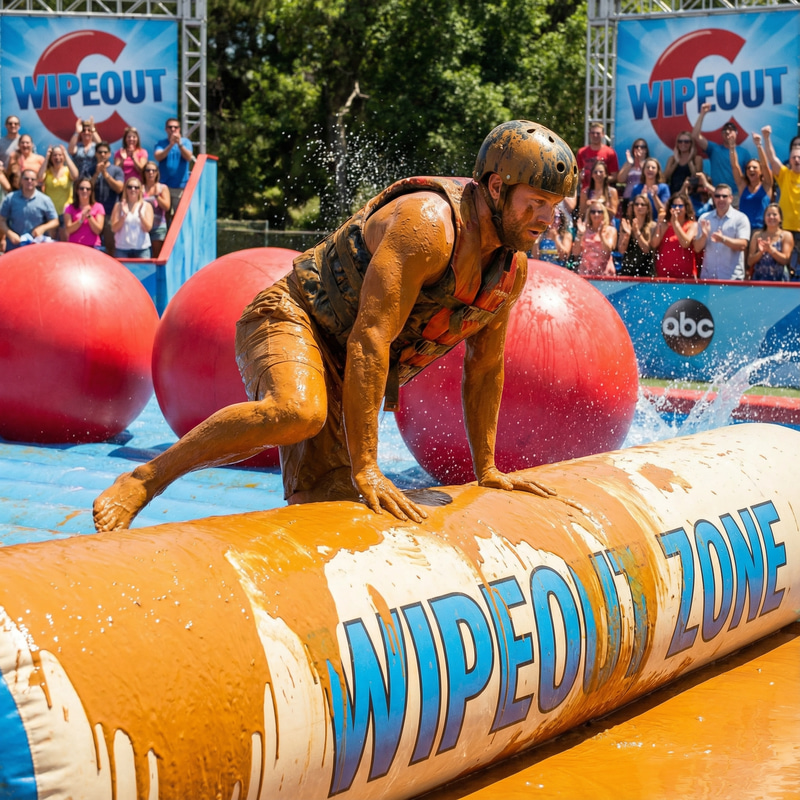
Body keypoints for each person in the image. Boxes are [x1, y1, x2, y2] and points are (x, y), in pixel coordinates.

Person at [92, 119, 579, 532]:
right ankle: (146, 479)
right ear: (496, 187)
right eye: (535, 202)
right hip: (292, 316)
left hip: (346, 365)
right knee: (297, 411)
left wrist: (487, 469)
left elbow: (485, 368)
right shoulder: (428, 225)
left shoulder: (510, 271)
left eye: (553, 207)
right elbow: (371, 340)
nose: (545, 218)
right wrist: (368, 465)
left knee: (334, 505)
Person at [691, 104, 751, 201]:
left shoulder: (744, 152)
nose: (727, 132)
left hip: (737, 195)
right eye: (724, 131)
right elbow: (695, 136)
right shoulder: (714, 149)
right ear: (721, 135)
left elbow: (749, 175)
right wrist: (702, 114)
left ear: (736, 134)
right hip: (717, 194)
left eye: (731, 130)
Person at [762, 125, 800, 277]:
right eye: (794, 157)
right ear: (789, 160)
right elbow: (772, 157)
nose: (797, 160)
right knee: (785, 268)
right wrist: (766, 137)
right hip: (785, 230)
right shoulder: (784, 174)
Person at [693, 183, 750, 280]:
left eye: (724, 196)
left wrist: (723, 239)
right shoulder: (704, 218)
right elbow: (697, 248)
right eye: (717, 196)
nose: (721, 199)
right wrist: (704, 236)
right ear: (713, 198)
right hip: (708, 278)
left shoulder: (741, 218)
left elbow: (743, 245)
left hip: (731, 278)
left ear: (731, 198)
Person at [0, 168, 59, 250]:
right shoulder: (10, 198)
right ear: (21, 180)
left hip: (36, 246)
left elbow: (55, 221)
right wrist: (10, 234)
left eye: (32, 179)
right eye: (26, 179)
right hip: (15, 246)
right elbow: (1, 220)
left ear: (37, 182)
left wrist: (42, 228)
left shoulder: (45, 200)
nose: (29, 181)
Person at [730, 131, 772, 232]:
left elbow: (765, 166)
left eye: (754, 167)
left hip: (762, 231)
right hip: (743, 230)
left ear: (761, 171)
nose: (751, 169)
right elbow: (735, 166)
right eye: (748, 168)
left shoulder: (766, 185)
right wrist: (732, 147)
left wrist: (759, 145)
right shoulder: (743, 186)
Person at [154, 117, 194, 222]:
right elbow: (158, 156)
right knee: (163, 216)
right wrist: (170, 145)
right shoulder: (161, 143)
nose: (173, 129)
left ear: (179, 129)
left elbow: (189, 157)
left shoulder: (186, 142)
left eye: (175, 127)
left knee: (179, 217)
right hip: (164, 186)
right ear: (166, 129)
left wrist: (179, 144)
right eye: (170, 127)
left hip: (180, 186)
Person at [652, 193, 698, 279]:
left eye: (680, 206)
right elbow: (654, 244)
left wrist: (675, 223)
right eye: (674, 205)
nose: (677, 208)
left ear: (686, 208)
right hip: (664, 274)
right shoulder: (665, 225)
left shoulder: (692, 225)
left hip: (685, 275)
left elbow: (685, 243)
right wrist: (659, 223)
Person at [37, 144, 78, 240]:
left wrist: (66, 155)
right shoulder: (47, 171)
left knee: (64, 242)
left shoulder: (68, 171)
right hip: (49, 212)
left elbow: (75, 175)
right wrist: (46, 157)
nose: (57, 157)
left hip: (65, 212)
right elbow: (39, 178)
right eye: (55, 155)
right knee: (50, 241)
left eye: (60, 155)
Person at [91, 141, 124, 255]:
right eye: (100, 152)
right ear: (96, 154)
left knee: (111, 246)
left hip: (111, 213)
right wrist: (96, 174)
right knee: (93, 246)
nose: (103, 155)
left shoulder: (116, 170)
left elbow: (119, 188)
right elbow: (85, 188)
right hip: (93, 215)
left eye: (105, 152)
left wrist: (106, 175)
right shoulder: (91, 169)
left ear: (110, 154)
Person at [746, 203, 793, 281]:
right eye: (768, 215)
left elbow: (785, 260)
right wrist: (760, 253)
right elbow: (750, 261)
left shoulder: (786, 235)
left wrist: (771, 250)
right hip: (759, 280)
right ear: (764, 218)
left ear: (780, 218)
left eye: (774, 214)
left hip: (779, 281)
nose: (771, 217)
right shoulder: (757, 235)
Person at [572, 200, 617, 276]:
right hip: (585, 272)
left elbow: (608, 250)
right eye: (593, 212)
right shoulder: (583, 229)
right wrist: (580, 234)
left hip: (605, 272)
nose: (596, 214)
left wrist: (601, 235)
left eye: (599, 212)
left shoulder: (611, 230)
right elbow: (575, 252)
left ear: (604, 213)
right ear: (589, 214)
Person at [111, 176, 153, 258]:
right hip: (122, 248)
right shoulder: (119, 206)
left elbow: (148, 228)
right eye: (130, 187)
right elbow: (114, 228)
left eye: (136, 187)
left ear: (140, 190)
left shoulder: (146, 206)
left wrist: (141, 215)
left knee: (143, 271)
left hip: (142, 248)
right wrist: (124, 216)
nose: (133, 189)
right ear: (126, 189)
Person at [617, 195, 656, 277]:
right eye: (636, 204)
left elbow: (646, 250)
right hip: (628, 271)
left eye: (642, 204)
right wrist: (627, 235)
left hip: (646, 272)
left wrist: (637, 232)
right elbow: (621, 250)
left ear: (648, 208)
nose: (639, 207)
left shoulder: (652, 226)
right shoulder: (626, 225)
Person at [63, 178, 105, 249]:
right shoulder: (69, 207)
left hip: (93, 246)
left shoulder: (98, 207)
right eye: (81, 188)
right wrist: (81, 219)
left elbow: (98, 230)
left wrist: (89, 216)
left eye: (88, 189)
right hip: (74, 246)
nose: (84, 191)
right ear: (77, 190)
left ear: (91, 191)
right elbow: (68, 229)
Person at [577, 121, 618, 191]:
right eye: (593, 133)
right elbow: (577, 175)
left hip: (603, 192)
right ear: (589, 134)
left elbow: (614, 176)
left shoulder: (610, 152)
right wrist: (580, 177)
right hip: (586, 191)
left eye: (598, 133)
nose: (595, 135)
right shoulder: (581, 152)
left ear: (603, 134)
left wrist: (600, 178)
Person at [142, 161, 171, 257]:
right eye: (148, 170)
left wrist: (157, 196)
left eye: (153, 170)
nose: (150, 173)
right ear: (144, 173)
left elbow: (167, 207)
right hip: (143, 227)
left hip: (158, 228)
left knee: (156, 255)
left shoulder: (162, 188)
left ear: (157, 173)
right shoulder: (140, 188)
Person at [616, 137, 649, 216]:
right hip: (628, 197)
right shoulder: (628, 163)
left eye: (642, 147)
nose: (639, 149)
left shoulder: (649, 164)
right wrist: (630, 163)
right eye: (636, 147)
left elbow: (649, 178)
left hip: (643, 198)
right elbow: (620, 179)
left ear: (646, 150)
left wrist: (640, 161)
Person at [664, 131, 703, 196]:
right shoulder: (672, 159)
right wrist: (676, 161)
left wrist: (690, 160)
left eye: (686, 141)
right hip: (674, 193)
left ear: (691, 143)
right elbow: (665, 177)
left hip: (691, 195)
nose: (683, 143)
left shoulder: (697, 159)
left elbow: (696, 177)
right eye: (680, 141)